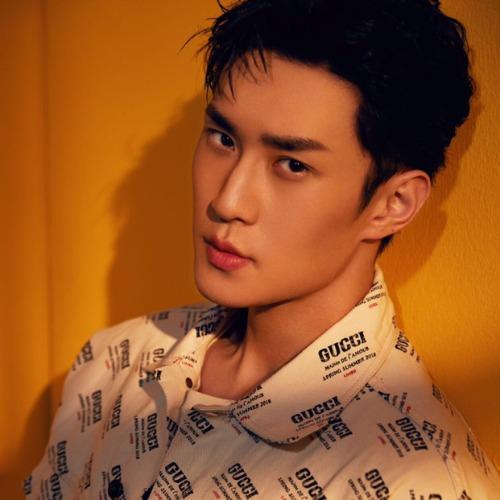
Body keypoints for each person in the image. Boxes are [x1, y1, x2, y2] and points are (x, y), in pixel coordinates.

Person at [24, 0, 500, 498]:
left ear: (392, 203)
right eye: (223, 139)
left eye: (292, 165)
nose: (227, 201)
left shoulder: (418, 480)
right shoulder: (111, 365)